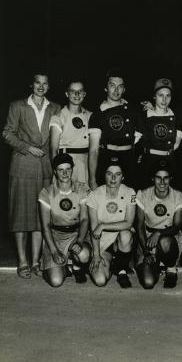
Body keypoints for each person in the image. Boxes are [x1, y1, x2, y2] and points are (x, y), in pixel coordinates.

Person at [3, 72, 61, 279]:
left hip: (46, 168)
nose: (41, 86)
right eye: (37, 82)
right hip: (22, 166)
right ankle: (23, 261)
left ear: (49, 87)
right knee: (20, 216)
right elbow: (7, 133)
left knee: (40, 217)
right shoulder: (17, 106)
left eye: (45, 83)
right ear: (31, 84)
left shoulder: (55, 108)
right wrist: (27, 147)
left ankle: (36, 261)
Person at [38, 154, 91, 286]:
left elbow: (84, 219)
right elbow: (45, 226)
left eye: (68, 169)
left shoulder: (82, 189)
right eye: (61, 170)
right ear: (55, 171)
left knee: (84, 255)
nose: (65, 173)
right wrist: (54, 251)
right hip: (56, 236)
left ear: (73, 169)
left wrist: (79, 241)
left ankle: (77, 267)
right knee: (56, 281)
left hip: (75, 234)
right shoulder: (46, 193)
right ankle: (55, 267)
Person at [86, 156, 136, 288]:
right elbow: (93, 229)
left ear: (123, 177)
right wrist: (96, 255)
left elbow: (129, 223)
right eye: (109, 174)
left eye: (117, 174)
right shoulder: (94, 195)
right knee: (100, 280)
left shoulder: (130, 192)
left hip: (119, 239)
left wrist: (102, 225)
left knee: (126, 235)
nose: (113, 178)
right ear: (104, 175)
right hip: (102, 242)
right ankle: (109, 263)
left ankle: (121, 269)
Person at [135, 161, 182, 289]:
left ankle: (171, 268)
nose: (162, 182)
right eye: (158, 177)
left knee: (165, 241)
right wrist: (146, 252)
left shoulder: (178, 196)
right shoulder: (143, 194)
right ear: (153, 178)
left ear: (170, 179)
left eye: (166, 178)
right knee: (148, 282)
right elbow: (139, 225)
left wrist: (158, 233)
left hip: (169, 237)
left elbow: (177, 226)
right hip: (148, 237)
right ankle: (155, 265)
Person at [88, 69, 139, 190]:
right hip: (107, 159)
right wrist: (92, 179)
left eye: (120, 86)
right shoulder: (98, 114)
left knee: (128, 202)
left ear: (124, 89)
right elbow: (94, 150)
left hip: (129, 160)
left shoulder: (133, 111)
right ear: (106, 88)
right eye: (112, 86)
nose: (116, 90)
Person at [136, 78, 182, 190]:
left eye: (168, 95)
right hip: (149, 162)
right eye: (160, 95)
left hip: (169, 162)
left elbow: (177, 144)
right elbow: (135, 142)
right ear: (154, 96)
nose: (164, 99)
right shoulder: (144, 116)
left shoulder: (177, 117)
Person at [49, 79, 92, 184]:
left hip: (85, 165)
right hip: (65, 164)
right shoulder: (58, 117)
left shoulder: (91, 116)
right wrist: (58, 171)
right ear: (67, 94)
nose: (77, 94)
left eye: (80, 91)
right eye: (73, 91)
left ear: (84, 94)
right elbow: (53, 149)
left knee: (83, 198)